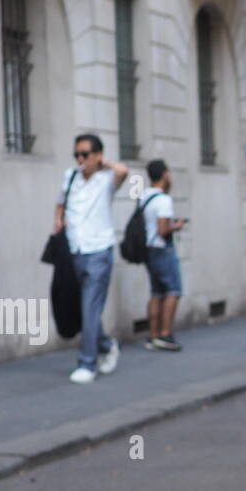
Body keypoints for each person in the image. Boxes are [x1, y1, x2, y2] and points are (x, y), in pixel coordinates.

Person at [53, 133, 127, 383]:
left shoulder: (106, 179)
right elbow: (60, 203)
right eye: (77, 154)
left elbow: (124, 171)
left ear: (97, 155)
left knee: (90, 307)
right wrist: (58, 221)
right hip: (74, 250)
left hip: (99, 251)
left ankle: (87, 363)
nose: (80, 159)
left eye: (85, 154)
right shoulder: (70, 176)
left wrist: (102, 164)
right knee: (83, 309)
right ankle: (106, 345)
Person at [141, 159, 186, 352]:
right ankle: (165, 334)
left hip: (150, 250)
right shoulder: (164, 199)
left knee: (156, 293)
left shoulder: (144, 196)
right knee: (173, 291)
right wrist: (176, 225)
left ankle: (152, 335)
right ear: (165, 174)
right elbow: (162, 229)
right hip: (163, 250)